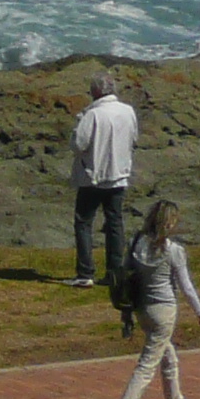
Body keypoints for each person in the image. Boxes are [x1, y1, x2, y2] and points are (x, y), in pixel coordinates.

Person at [114, 199, 200, 399]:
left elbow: (126, 276)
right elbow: (186, 285)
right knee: (148, 363)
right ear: (169, 223)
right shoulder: (173, 250)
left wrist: (126, 312)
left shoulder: (136, 242)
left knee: (169, 357)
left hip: (142, 308)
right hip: (164, 311)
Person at [69, 69, 137, 288]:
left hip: (93, 176)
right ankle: (114, 273)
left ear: (96, 91)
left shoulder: (92, 114)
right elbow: (133, 138)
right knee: (115, 223)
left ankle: (85, 273)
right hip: (118, 175)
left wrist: (78, 123)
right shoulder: (128, 111)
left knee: (83, 222)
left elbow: (78, 145)